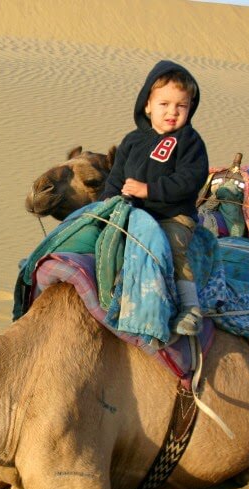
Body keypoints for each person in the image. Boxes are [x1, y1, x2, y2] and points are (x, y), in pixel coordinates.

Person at [101, 60, 209, 336]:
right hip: (132, 214)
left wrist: (149, 190)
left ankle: (190, 308)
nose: (172, 112)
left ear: (190, 108)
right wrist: (108, 202)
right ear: (147, 105)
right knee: (101, 240)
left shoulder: (190, 142)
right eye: (164, 104)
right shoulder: (132, 141)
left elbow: (190, 180)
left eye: (181, 106)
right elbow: (116, 177)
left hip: (172, 217)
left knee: (171, 247)